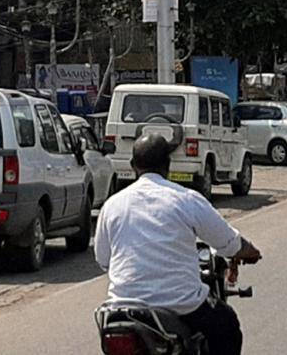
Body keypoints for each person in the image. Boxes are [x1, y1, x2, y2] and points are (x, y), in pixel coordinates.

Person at [95, 134, 262, 355]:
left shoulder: (112, 205)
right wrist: (250, 252)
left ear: (133, 166)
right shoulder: (186, 199)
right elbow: (229, 243)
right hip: (181, 305)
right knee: (227, 325)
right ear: (168, 166)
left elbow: (103, 260)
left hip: (121, 308)